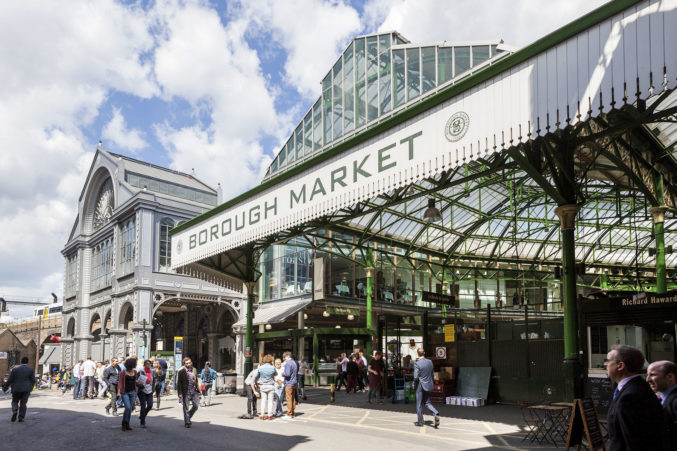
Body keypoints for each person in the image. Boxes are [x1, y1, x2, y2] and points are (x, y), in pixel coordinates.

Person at [605, 345, 667, 450]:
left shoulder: (630, 397)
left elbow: (634, 441)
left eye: (608, 361)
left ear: (620, 366)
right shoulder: (638, 387)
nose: (605, 364)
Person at [647, 360, 677, 443]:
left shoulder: (674, 401)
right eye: (647, 375)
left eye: (652, 375)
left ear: (670, 376)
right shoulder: (657, 398)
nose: (647, 379)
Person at [2, 357, 35, 422]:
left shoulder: (15, 370)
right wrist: (31, 388)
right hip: (26, 389)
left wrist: (5, 388)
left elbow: (10, 380)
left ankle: (15, 410)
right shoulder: (30, 369)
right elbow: (33, 380)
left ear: (21, 361)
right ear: (27, 362)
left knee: (14, 401)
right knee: (23, 403)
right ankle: (21, 417)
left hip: (16, 389)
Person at [413, 348, 439, 428]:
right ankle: (435, 412)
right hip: (428, 384)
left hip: (420, 385)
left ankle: (420, 421)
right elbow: (432, 374)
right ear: (424, 353)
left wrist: (414, 383)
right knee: (427, 402)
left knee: (419, 404)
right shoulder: (430, 362)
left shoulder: (417, 364)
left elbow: (415, 377)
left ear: (418, 354)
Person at [117, 357, 140, 431]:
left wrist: (139, 382)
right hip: (125, 392)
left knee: (131, 408)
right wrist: (118, 392)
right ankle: (124, 423)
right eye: (135, 363)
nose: (136, 365)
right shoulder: (123, 372)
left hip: (133, 392)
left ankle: (127, 423)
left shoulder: (135, 372)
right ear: (131, 364)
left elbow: (136, 381)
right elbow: (120, 382)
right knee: (128, 407)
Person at [177, 357, 199, 428]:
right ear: (184, 364)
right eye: (186, 363)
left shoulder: (194, 370)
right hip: (185, 392)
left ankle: (188, 416)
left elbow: (196, 380)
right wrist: (179, 393)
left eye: (189, 363)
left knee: (196, 406)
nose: (188, 364)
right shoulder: (181, 372)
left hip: (194, 391)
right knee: (186, 408)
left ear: (191, 362)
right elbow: (179, 383)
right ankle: (187, 422)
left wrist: (198, 388)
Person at [256, 354, 277, 420]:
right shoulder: (272, 367)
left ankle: (262, 415)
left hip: (263, 385)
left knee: (263, 401)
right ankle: (270, 415)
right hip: (270, 385)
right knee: (270, 401)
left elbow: (257, 375)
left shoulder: (260, 367)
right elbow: (276, 374)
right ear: (271, 360)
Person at [137, 359, 154, 428]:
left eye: (149, 364)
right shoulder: (141, 372)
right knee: (143, 406)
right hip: (142, 391)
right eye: (147, 364)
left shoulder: (152, 371)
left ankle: (142, 415)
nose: (148, 365)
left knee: (150, 405)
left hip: (149, 391)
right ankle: (142, 422)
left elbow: (154, 381)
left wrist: (154, 389)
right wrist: (139, 383)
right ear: (144, 365)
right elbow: (136, 381)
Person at [282, 351, 298, 417]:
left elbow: (287, 374)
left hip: (289, 383)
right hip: (294, 383)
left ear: (288, 356)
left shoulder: (288, 363)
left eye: (284, 357)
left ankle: (289, 413)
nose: (284, 358)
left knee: (288, 399)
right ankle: (293, 412)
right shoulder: (294, 362)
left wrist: (282, 373)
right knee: (293, 398)